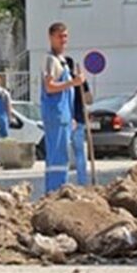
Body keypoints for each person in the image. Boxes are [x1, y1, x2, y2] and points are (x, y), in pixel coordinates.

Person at [42, 22, 84, 193]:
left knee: (63, 157)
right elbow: (49, 87)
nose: (63, 40)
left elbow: (67, 95)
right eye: (60, 36)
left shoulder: (63, 62)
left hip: (64, 116)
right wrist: (72, 82)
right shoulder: (51, 60)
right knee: (57, 158)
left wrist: (72, 117)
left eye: (65, 36)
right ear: (51, 37)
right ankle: (54, 192)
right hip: (55, 115)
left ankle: (59, 190)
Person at [66, 56, 93, 186]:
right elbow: (89, 100)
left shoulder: (62, 81)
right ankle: (82, 181)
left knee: (63, 152)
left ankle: (63, 182)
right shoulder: (81, 80)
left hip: (66, 120)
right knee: (79, 153)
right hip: (78, 119)